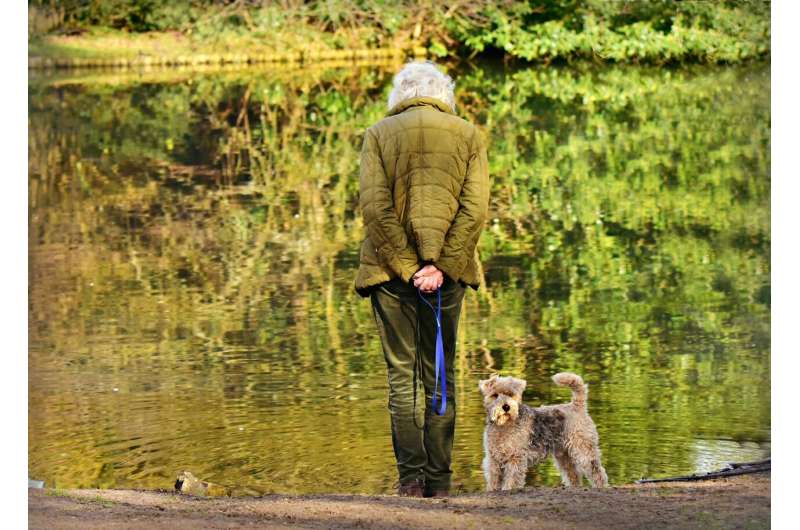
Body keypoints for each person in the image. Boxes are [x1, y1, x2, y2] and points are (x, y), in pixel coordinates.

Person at [354, 61, 490, 497]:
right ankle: (442, 482)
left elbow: (375, 209)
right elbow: (475, 210)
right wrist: (441, 267)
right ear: (442, 93)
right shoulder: (468, 134)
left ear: (401, 94)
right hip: (445, 277)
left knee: (402, 377)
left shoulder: (378, 133)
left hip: (389, 274)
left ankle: (411, 482)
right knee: (440, 375)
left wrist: (409, 268)